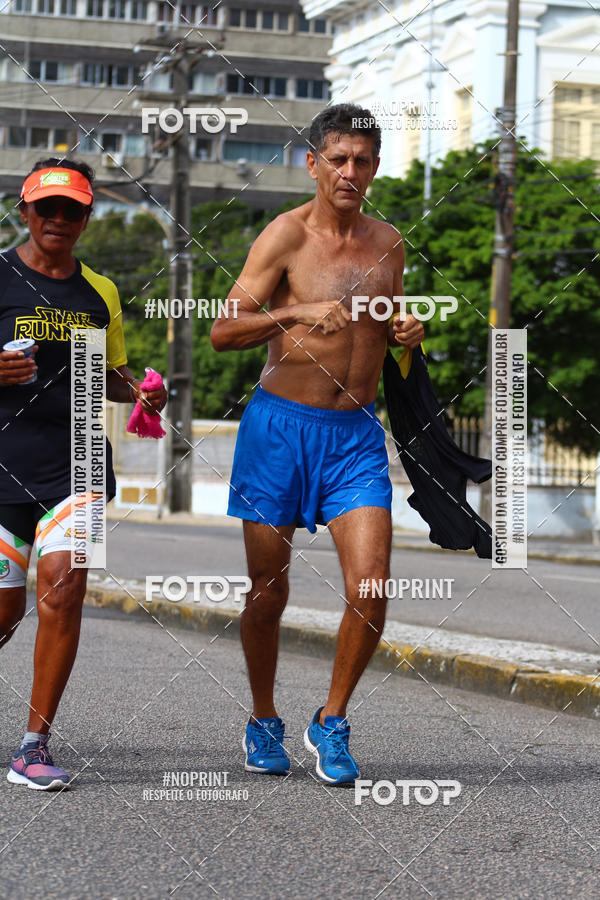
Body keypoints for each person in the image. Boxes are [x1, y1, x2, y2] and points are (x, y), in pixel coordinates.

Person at [211, 104, 424, 785]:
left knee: (372, 583)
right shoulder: (285, 236)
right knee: (268, 591)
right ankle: (263, 718)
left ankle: (331, 720)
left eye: (362, 160)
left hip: (355, 437)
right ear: (313, 163)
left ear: (376, 168)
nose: (350, 171)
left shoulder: (389, 243)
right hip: (279, 430)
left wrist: (408, 332)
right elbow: (223, 331)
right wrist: (295, 310)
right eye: (338, 158)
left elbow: (385, 329)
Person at [0, 158, 167, 790]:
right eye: (48, 209)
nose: (59, 221)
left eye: (73, 210)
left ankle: (34, 745)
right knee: (4, 613)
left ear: (87, 218)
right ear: (26, 211)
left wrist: (144, 393)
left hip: (78, 461)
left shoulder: (99, 293)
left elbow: (111, 374)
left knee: (64, 589)